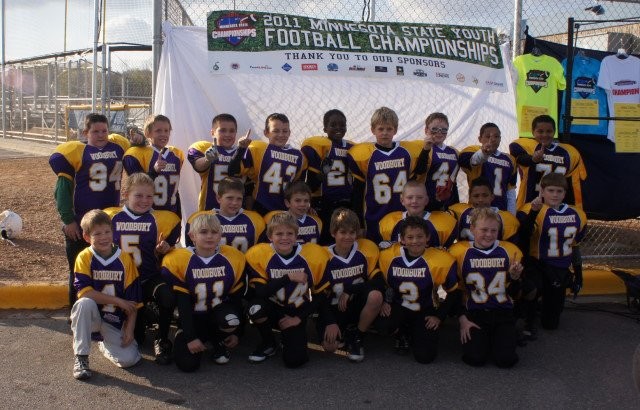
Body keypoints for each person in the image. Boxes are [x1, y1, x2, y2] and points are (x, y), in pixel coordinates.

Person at [49, 113, 140, 307]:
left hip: (109, 221)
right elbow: (62, 190)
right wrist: (68, 220)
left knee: (109, 268)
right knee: (78, 270)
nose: (101, 135)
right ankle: (77, 313)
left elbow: (138, 151)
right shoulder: (76, 151)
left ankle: (107, 312)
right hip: (82, 222)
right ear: (85, 132)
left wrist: (139, 140)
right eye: (95, 131)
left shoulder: (119, 145)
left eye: (104, 131)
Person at [104, 173, 181, 365]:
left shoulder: (161, 219)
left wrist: (165, 248)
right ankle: (146, 315)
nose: (144, 201)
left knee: (168, 296)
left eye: (149, 196)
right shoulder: (110, 218)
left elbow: (166, 247)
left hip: (147, 278)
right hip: (122, 284)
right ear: (126, 194)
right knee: (137, 337)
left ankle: (162, 339)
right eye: (138, 195)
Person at [161, 214, 246, 372]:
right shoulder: (180, 259)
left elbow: (236, 299)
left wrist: (237, 333)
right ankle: (186, 335)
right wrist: (190, 336)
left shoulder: (233, 258)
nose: (209, 236)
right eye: (204, 232)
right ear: (192, 236)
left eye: (214, 232)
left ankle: (218, 340)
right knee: (188, 365)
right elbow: (183, 303)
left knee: (231, 319)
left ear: (220, 235)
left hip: (217, 316)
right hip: (193, 318)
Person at [244, 212, 331, 368]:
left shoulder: (312, 255)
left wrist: (299, 318)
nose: (285, 237)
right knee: (255, 309)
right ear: (270, 236)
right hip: (273, 307)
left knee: (295, 360)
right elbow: (261, 292)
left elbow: (321, 294)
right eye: (279, 233)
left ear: (296, 235)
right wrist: (288, 277)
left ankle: (288, 338)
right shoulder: (261, 254)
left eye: (289, 233)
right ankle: (269, 343)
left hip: (296, 310)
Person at [70, 209, 142, 380]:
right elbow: (84, 292)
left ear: (113, 232)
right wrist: (117, 300)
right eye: (97, 234)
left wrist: (130, 328)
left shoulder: (124, 259)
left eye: (107, 232)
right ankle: (81, 357)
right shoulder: (84, 257)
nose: (103, 237)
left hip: (115, 320)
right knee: (83, 304)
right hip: (93, 317)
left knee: (129, 360)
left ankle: (105, 345)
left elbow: (133, 301)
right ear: (87, 238)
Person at [377, 216, 460, 363]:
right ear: (401, 239)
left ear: (427, 238)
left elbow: (454, 292)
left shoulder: (440, 259)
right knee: (383, 325)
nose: (415, 241)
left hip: (425, 309)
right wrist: (385, 301)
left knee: (425, 357)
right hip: (399, 306)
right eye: (410, 237)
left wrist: (439, 316)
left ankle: (416, 332)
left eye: (420, 236)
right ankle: (402, 332)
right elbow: (380, 281)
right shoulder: (389, 256)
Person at [448, 208, 523, 368]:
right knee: (475, 359)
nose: (488, 234)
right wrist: (462, 318)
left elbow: (515, 293)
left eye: (493, 230)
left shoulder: (509, 251)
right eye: (483, 230)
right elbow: (456, 291)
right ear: (472, 229)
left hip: (502, 312)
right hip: (475, 313)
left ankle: (506, 333)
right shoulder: (459, 252)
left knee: (506, 361)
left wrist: (515, 279)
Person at [518, 172, 587, 333]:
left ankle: (542, 307)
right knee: (531, 289)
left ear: (565, 192)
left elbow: (575, 246)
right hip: (537, 265)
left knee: (551, 324)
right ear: (542, 191)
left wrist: (579, 273)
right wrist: (534, 212)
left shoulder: (577, 214)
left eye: (559, 191)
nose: (555, 195)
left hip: (560, 268)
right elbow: (524, 235)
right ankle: (527, 317)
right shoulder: (531, 208)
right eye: (551, 190)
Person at [347, 107, 423, 243]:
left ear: (395, 129)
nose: (385, 133)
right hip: (374, 215)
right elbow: (358, 193)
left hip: (402, 214)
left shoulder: (407, 153)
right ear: (373, 130)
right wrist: (359, 223)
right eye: (381, 129)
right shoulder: (365, 155)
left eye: (389, 129)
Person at [318, 208, 383, 362]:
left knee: (375, 295)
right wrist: (330, 321)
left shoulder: (365, 250)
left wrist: (350, 289)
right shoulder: (322, 256)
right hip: (334, 308)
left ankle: (357, 336)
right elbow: (317, 295)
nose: (348, 237)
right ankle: (343, 331)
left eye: (352, 232)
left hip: (356, 304)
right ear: (333, 233)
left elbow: (379, 281)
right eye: (343, 232)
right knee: (330, 347)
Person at [228, 113, 306, 215]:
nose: (281, 135)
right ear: (266, 133)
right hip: (261, 204)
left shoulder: (299, 155)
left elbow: (299, 185)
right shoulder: (258, 149)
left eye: (285, 131)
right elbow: (232, 171)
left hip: (286, 207)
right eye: (276, 131)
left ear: (289, 132)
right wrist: (241, 149)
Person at [509, 115, 587, 209]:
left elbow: (572, 185)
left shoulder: (569, 152)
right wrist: (533, 159)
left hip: (556, 204)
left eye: (549, 131)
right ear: (533, 132)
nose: (545, 135)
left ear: (554, 132)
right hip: (530, 202)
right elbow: (520, 159)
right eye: (540, 131)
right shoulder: (526, 147)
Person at [301, 109, 354, 244]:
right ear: (325, 128)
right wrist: (322, 175)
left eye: (342, 125)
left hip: (345, 201)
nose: (338, 128)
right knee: (326, 240)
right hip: (323, 203)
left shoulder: (352, 148)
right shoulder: (318, 146)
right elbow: (310, 185)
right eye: (333, 125)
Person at [123, 114, 184, 217]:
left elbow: (174, 189)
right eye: (158, 131)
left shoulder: (177, 155)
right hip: (147, 215)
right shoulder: (137, 154)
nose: (163, 134)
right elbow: (137, 186)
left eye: (166, 131)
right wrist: (154, 171)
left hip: (171, 213)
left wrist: (178, 214)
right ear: (148, 133)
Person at [184, 177, 265, 251]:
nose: (234, 203)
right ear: (219, 198)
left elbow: (260, 251)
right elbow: (192, 252)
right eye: (230, 198)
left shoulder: (255, 220)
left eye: (239, 199)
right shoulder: (200, 220)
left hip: (243, 266)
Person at [188, 114, 248, 211]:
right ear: (212, 133)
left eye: (231, 131)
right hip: (210, 208)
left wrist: (242, 149)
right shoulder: (205, 148)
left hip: (236, 211)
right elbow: (198, 166)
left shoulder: (245, 151)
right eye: (222, 130)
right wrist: (207, 159)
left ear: (236, 133)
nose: (228, 134)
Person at [458, 123, 517, 214]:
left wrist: (511, 214)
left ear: (500, 138)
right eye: (488, 136)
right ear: (480, 139)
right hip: (478, 209)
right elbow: (473, 161)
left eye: (496, 136)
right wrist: (484, 153)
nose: (492, 139)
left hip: (501, 210)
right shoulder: (472, 150)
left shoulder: (510, 159)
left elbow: (511, 192)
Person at [379, 180, 457, 248]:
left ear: (426, 200)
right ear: (402, 200)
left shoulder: (442, 223)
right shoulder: (391, 222)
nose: (414, 201)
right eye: (410, 197)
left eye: (419, 197)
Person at [448, 177, 520, 243]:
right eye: (476, 196)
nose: (480, 200)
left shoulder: (504, 219)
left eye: (485, 195)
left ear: (492, 197)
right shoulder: (460, 213)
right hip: (465, 255)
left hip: (493, 256)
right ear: (470, 198)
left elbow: (509, 248)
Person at [413, 112, 460, 211]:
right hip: (426, 202)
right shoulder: (419, 147)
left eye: (444, 130)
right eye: (434, 129)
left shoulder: (454, 152)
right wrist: (425, 150)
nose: (439, 132)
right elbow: (418, 172)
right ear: (426, 130)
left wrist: (455, 203)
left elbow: (453, 181)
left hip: (446, 202)